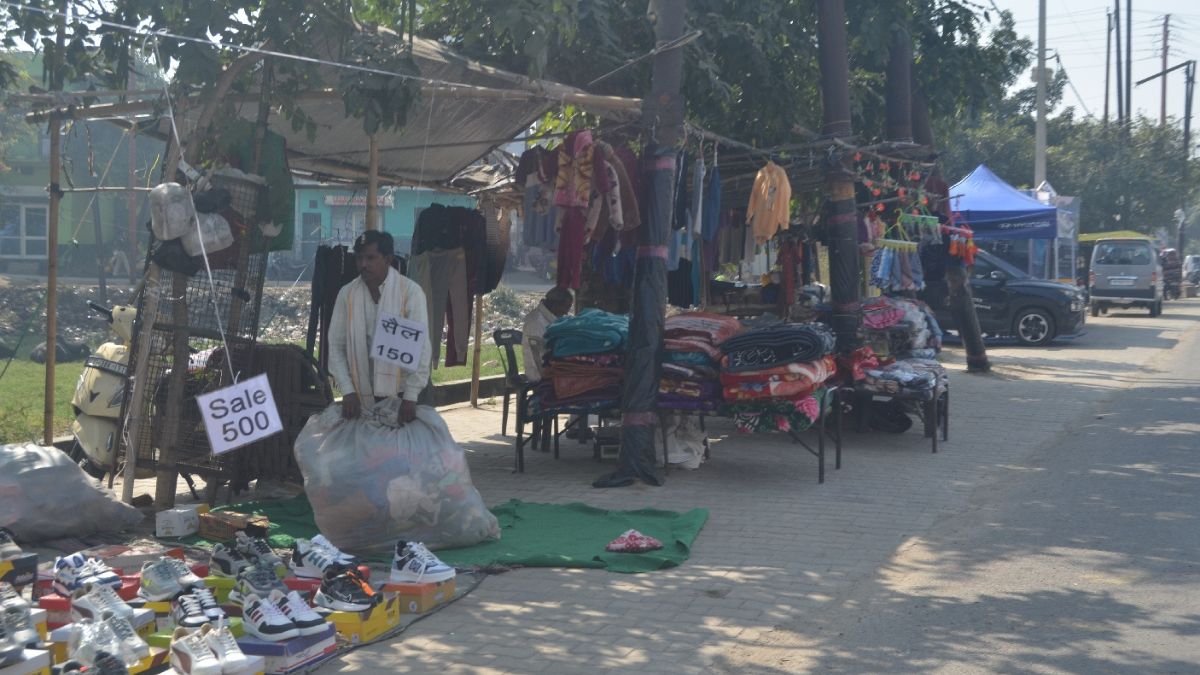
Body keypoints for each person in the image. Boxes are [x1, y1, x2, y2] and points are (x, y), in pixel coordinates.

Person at [328, 230, 431, 425]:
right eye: (359, 258)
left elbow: (421, 348)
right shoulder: (347, 294)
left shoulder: (410, 293)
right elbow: (335, 345)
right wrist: (348, 390)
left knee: (408, 453)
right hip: (362, 393)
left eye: (370, 258)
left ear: (388, 259)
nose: (363, 264)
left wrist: (410, 396)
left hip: (407, 392)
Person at [520, 286, 574, 382]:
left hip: (549, 366)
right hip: (538, 371)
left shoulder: (549, 318)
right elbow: (541, 358)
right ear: (554, 304)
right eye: (565, 307)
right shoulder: (536, 322)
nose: (566, 312)